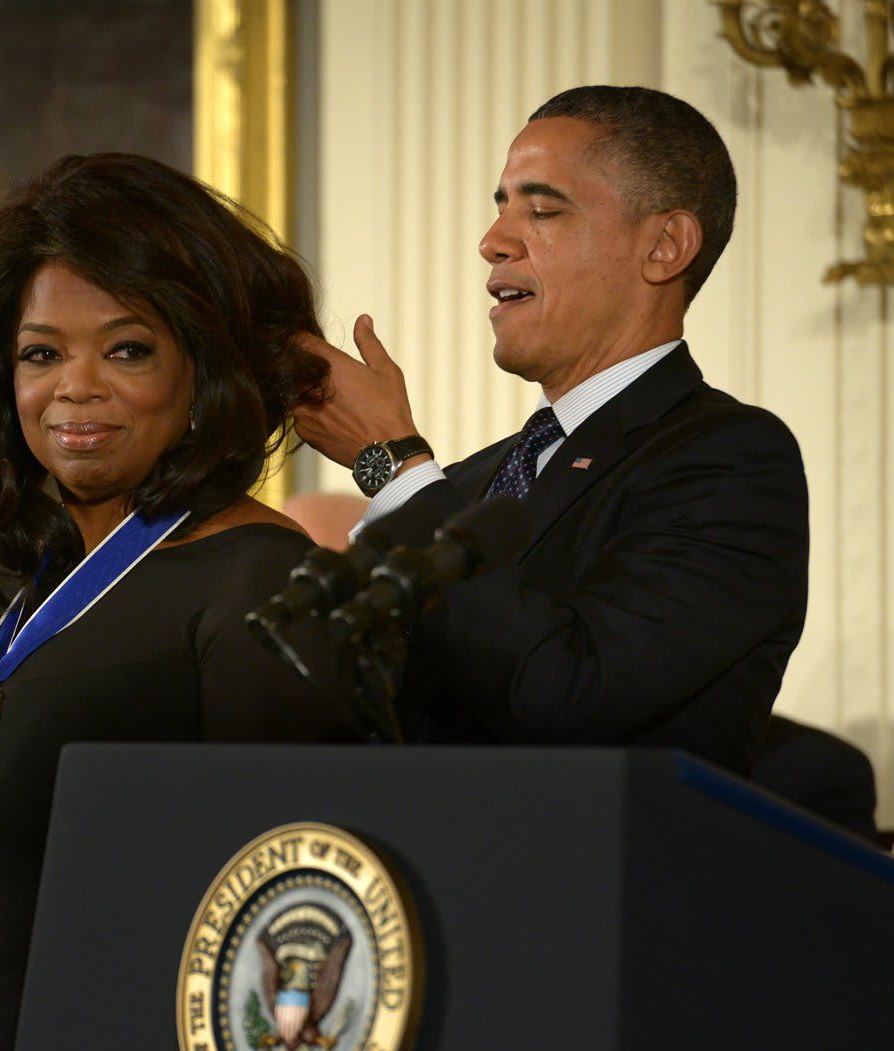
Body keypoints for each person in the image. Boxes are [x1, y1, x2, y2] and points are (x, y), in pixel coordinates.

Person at [0, 153, 356, 1051]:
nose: (73, 390)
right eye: (39, 354)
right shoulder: (3, 587)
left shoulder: (262, 578)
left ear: (204, 372)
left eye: (127, 349)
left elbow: (256, 907)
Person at [292, 85, 809, 776]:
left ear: (664, 245)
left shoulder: (731, 462)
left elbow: (566, 694)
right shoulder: (472, 485)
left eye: (541, 209)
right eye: (501, 207)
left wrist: (390, 463)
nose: (492, 242)